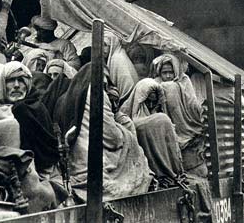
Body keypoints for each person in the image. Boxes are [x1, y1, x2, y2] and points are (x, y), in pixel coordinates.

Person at [53, 63, 152, 202]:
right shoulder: (97, 92)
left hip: (74, 159)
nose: (105, 86)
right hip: (94, 161)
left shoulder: (68, 95)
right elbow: (113, 138)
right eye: (104, 82)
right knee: (129, 140)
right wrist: (125, 132)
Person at [119, 78, 185, 187]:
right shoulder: (126, 115)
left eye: (153, 101)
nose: (150, 105)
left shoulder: (159, 113)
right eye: (147, 101)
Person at [152, 53, 207, 178]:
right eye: (164, 72)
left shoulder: (184, 80)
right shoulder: (156, 82)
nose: (167, 76)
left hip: (184, 122)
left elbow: (192, 101)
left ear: (176, 71)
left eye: (171, 72)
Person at [104, 31, 139, 105]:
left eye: (105, 45)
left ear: (113, 45)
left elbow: (128, 84)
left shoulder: (117, 58)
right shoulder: (118, 54)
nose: (102, 48)